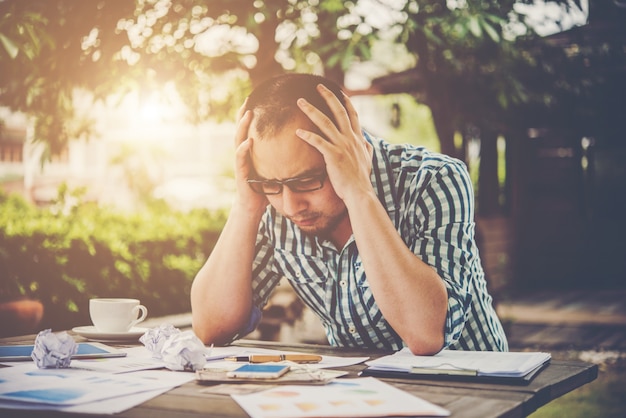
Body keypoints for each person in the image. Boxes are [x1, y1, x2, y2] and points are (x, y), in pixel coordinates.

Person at [190, 73, 508, 354]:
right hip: (362, 393)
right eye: (270, 183)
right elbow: (211, 328)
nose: (290, 206)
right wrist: (246, 204)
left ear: (349, 147)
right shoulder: (268, 201)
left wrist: (358, 192)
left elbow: (426, 335)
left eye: (307, 181)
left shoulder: (434, 179)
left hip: (477, 392)